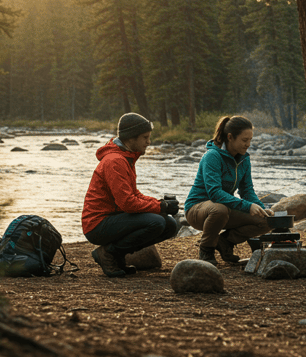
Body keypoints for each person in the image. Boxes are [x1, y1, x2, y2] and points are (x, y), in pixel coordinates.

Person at [82, 113, 179, 277]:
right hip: (97, 224)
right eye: (145, 137)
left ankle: (118, 256)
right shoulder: (115, 161)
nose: (149, 142)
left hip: (114, 218)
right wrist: (159, 206)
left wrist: (161, 204)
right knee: (155, 222)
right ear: (130, 138)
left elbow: (134, 194)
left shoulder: (126, 157)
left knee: (169, 224)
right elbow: (127, 203)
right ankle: (108, 254)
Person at [184, 115, 272, 264]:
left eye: (250, 140)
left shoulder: (244, 159)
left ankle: (225, 242)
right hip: (197, 209)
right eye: (245, 140)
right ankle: (206, 250)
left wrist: (262, 211)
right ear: (230, 137)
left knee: (267, 221)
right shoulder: (212, 156)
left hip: (223, 207)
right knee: (219, 210)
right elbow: (214, 193)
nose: (248, 144)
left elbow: (247, 191)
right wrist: (247, 206)